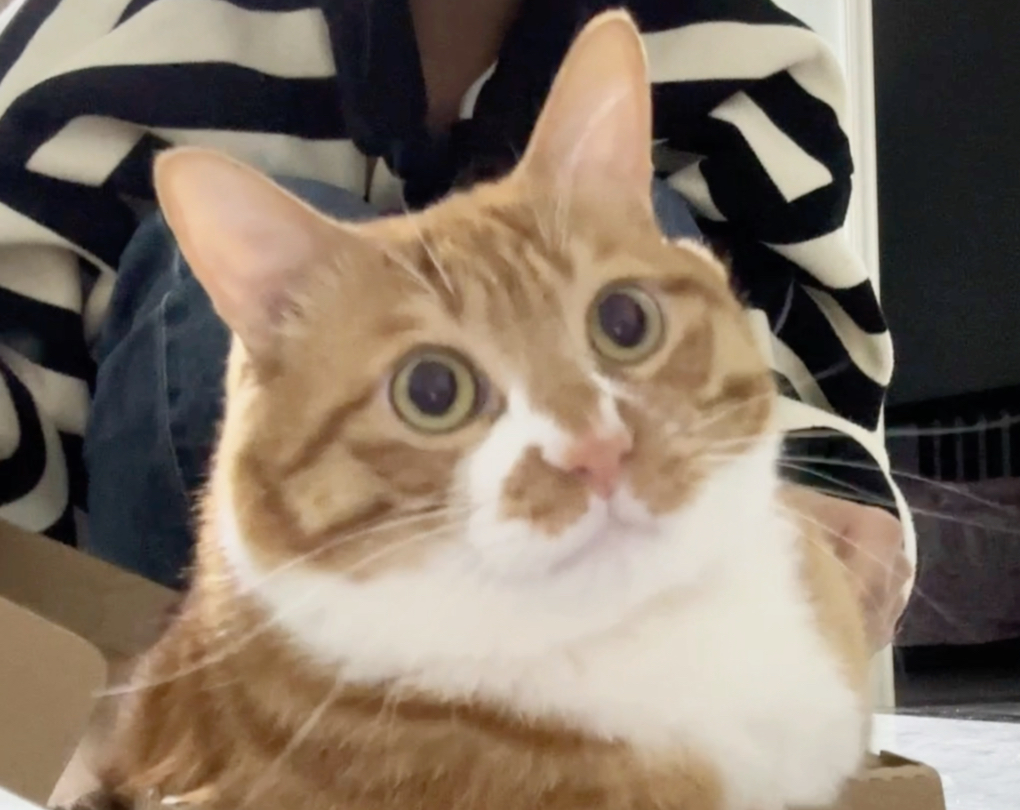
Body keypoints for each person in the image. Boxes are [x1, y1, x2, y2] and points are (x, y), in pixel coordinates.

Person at [0, 0, 911, 646]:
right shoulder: (88, 62)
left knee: (643, 248)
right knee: (246, 306)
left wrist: (822, 517)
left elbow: (808, 386)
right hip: (230, 674)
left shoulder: (751, 70)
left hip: (637, 654)